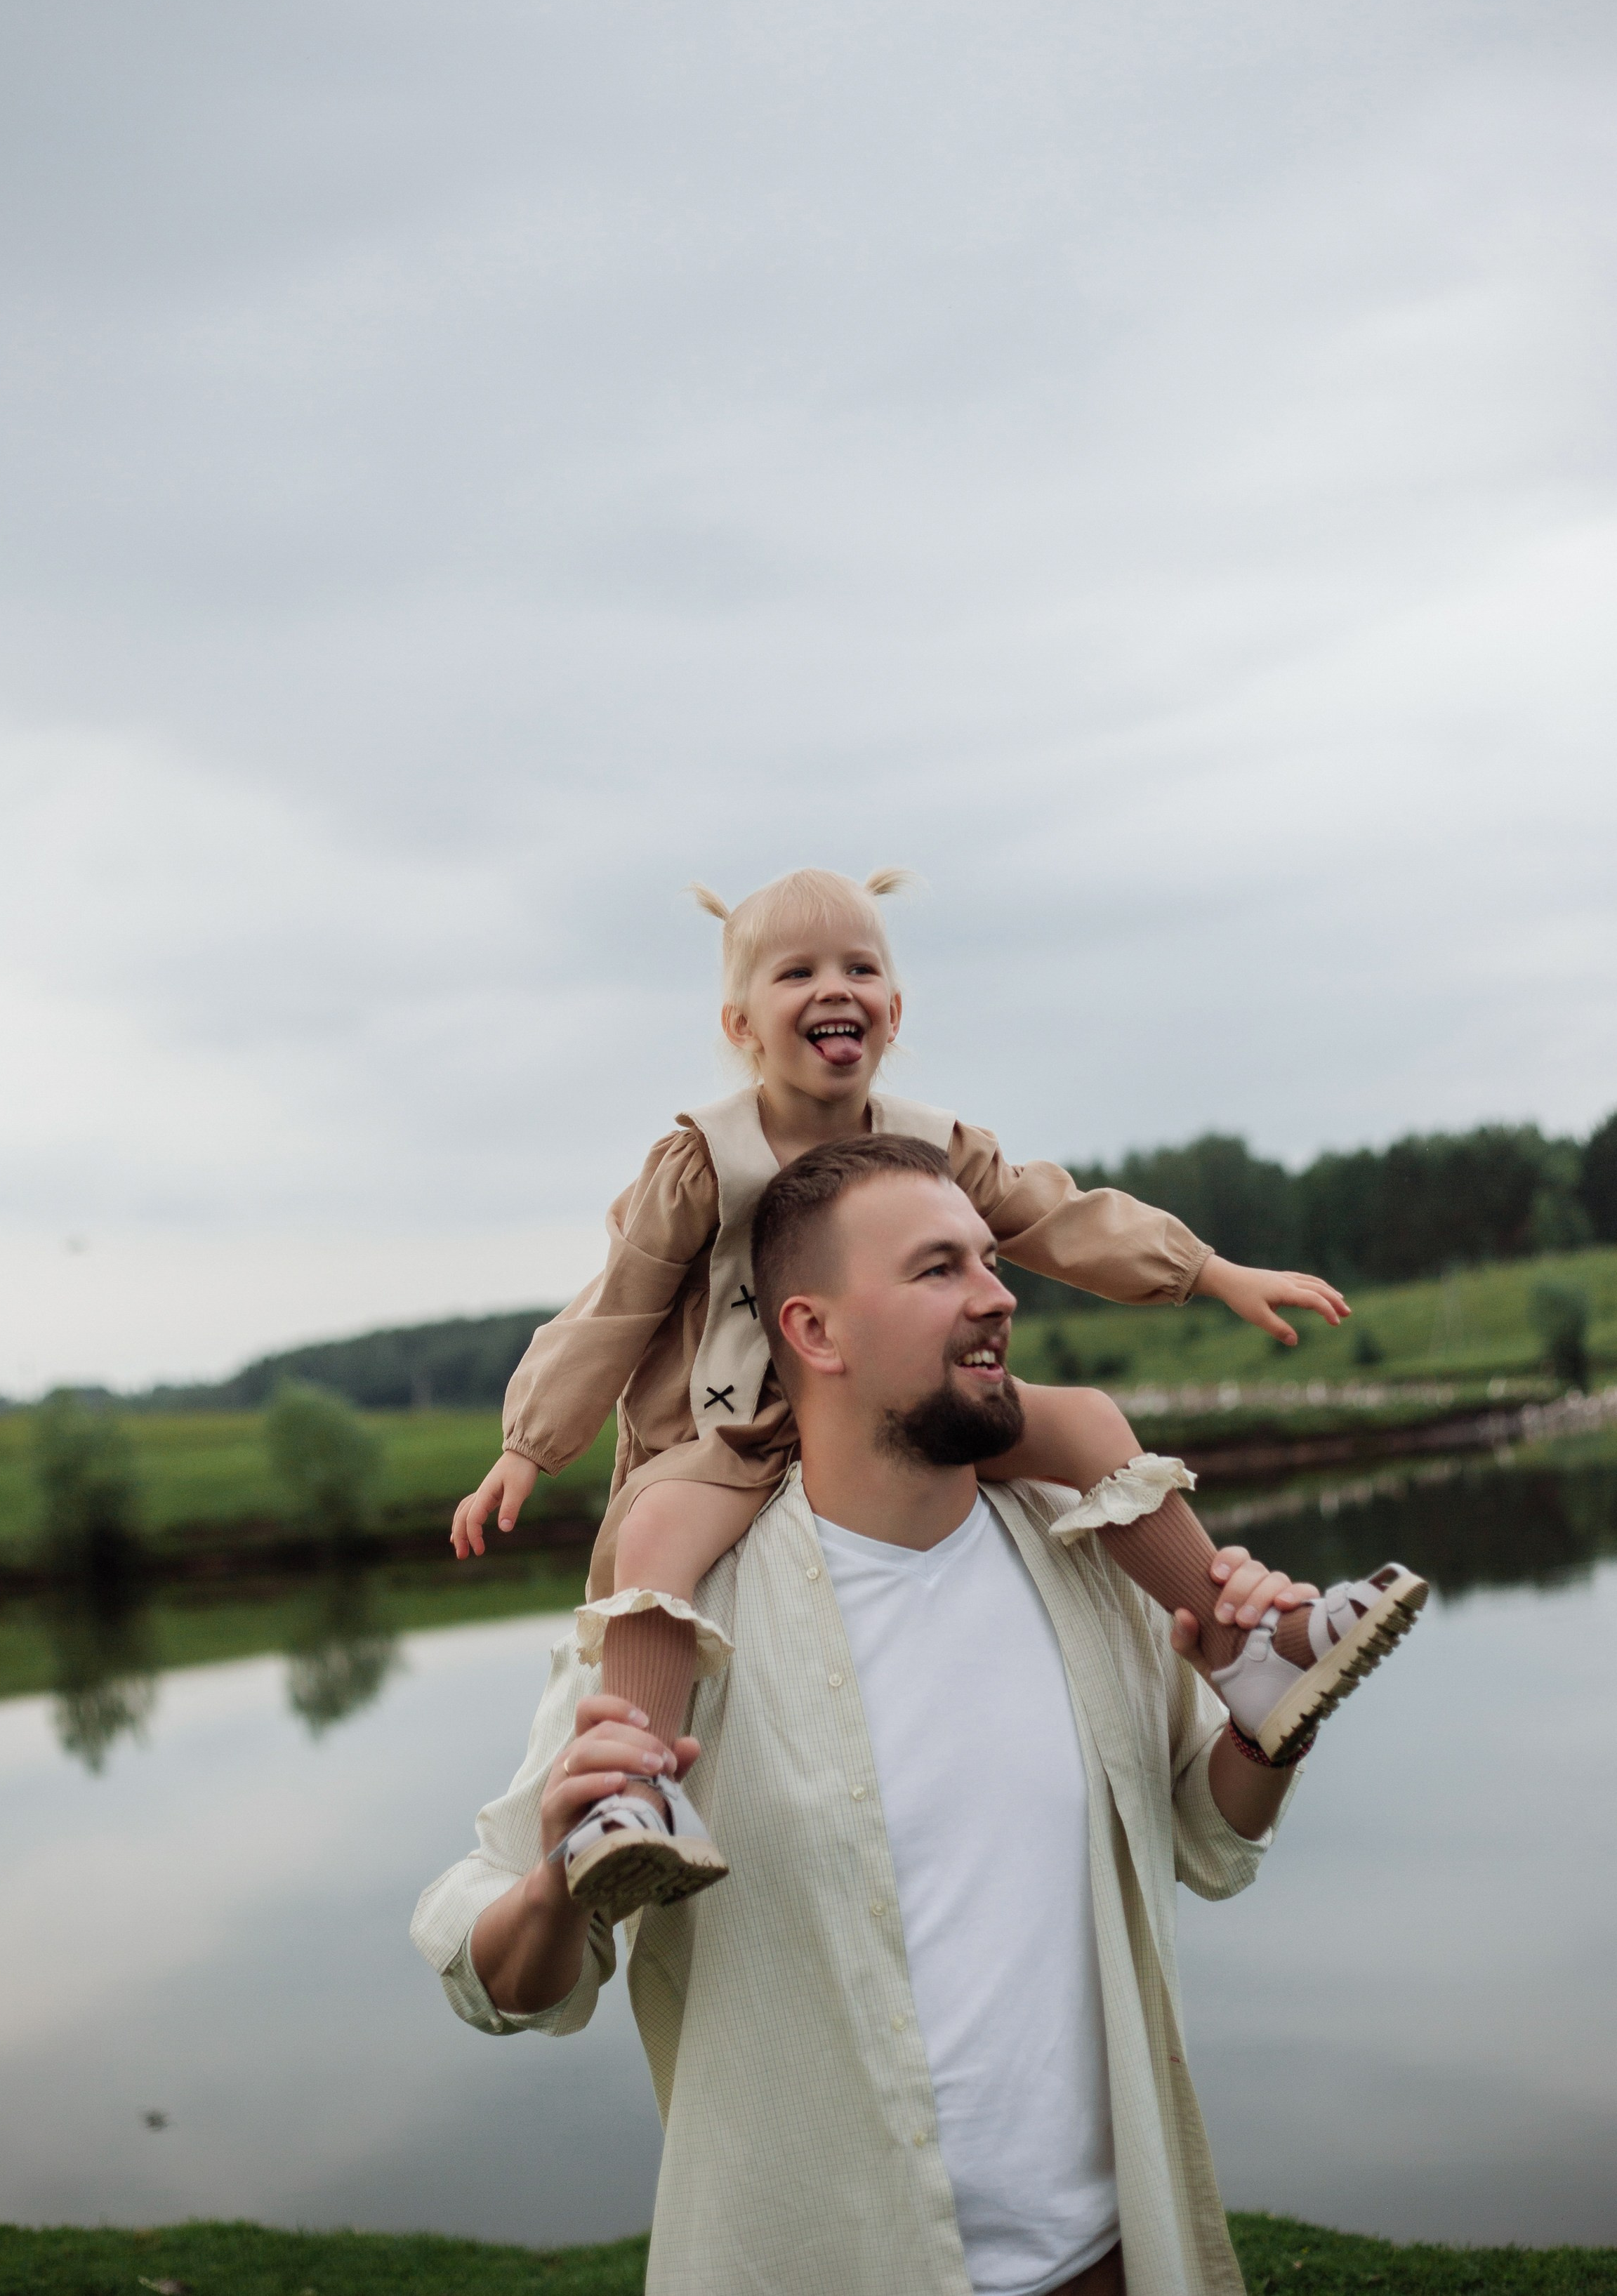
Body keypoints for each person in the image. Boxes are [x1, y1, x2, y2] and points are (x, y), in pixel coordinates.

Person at [415, 1137, 1345, 2296]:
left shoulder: (1084, 1556)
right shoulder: (681, 1615)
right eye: (938, 1269)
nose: (998, 1292)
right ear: (813, 1332)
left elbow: (1207, 1841)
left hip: (1109, 2263)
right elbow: (498, 1972)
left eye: (987, 1264)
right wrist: (555, 1887)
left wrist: (1266, 1725)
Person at [449, 869, 1425, 1918]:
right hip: (732, 1431)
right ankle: (631, 1791)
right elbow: (618, 1303)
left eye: (860, 967)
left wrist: (1210, 1272)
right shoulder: (702, 1159)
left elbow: (1057, 1217)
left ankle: (1244, 1650)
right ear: (741, 1024)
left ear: (895, 1010)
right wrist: (530, 1442)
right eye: (800, 972)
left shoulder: (934, 1144)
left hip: (902, 1407)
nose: (838, 987)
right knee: (653, 1532)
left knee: (1089, 1421)